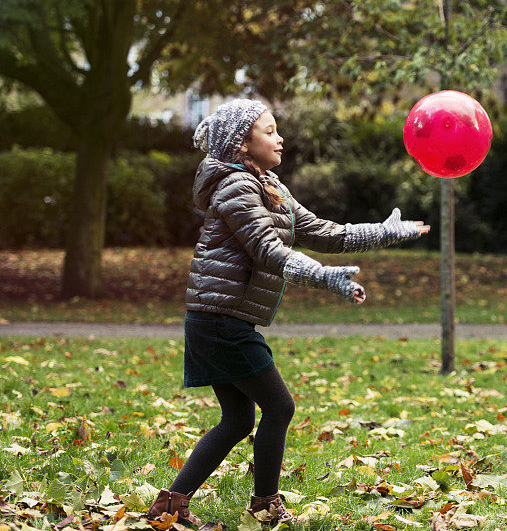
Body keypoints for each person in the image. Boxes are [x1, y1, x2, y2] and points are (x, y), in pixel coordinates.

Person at [145, 99, 430, 526]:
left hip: (221, 318)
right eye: (269, 130)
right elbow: (268, 250)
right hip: (219, 321)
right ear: (242, 144)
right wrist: (324, 277)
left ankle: (171, 502)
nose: (280, 138)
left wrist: (386, 232)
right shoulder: (236, 189)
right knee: (279, 407)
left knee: (239, 418)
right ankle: (264, 502)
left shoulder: (269, 185)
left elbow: (325, 232)